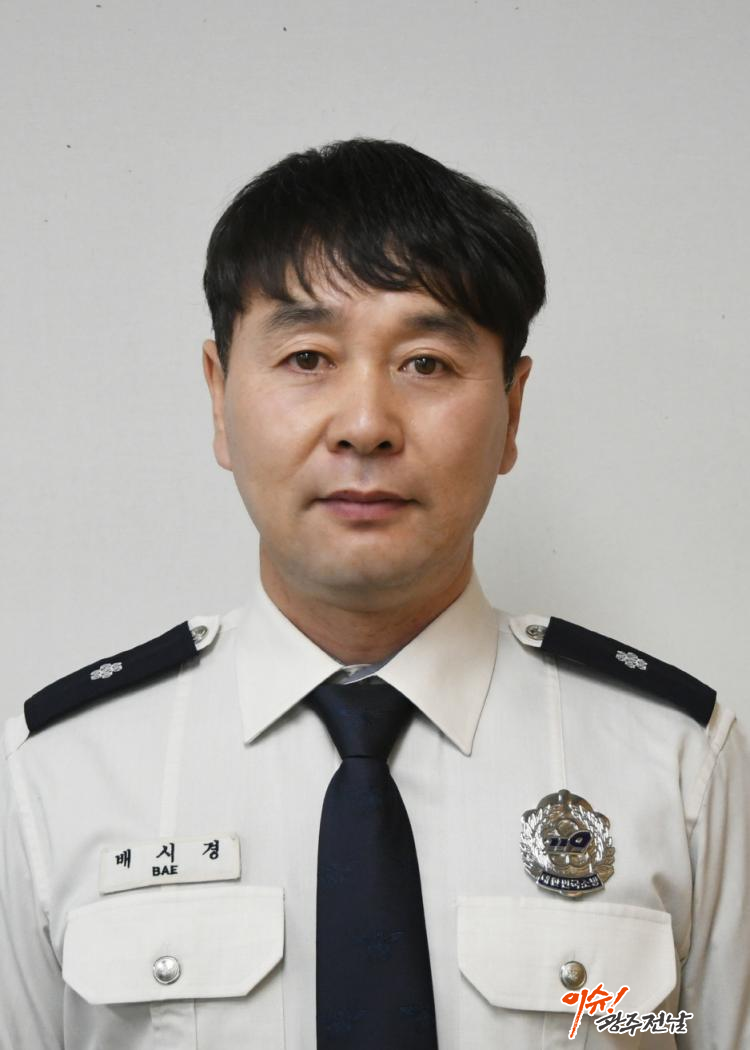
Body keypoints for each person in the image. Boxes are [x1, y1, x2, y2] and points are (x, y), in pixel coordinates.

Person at [1, 137, 747, 1050]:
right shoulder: (56, 780)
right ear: (218, 396)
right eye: (307, 357)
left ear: (512, 410)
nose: (365, 426)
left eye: (426, 363)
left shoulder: (678, 768)